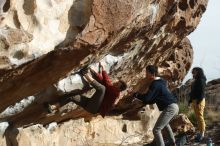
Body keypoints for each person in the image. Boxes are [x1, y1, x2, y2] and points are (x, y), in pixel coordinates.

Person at [48, 63, 127, 117]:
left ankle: (84, 73)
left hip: (95, 107)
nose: (116, 82)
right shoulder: (112, 90)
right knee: (72, 96)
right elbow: (103, 81)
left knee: (102, 89)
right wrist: (97, 73)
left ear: (120, 87)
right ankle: (53, 107)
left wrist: (103, 71)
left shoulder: (115, 93)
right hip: (91, 106)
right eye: (118, 82)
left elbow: (106, 83)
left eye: (118, 83)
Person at [132, 65, 179, 146]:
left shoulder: (155, 84)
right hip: (174, 107)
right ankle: (173, 143)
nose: (145, 75)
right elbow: (152, 99)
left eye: (147, 73)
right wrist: (142, 102)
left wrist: (135, 94)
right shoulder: (162, 82)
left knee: (156, 130)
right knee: (165, 125)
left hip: (170, 108)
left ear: (152, 74)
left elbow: (147, 98)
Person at [188, 67, 206, 142]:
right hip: (195, 101)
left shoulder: (201, 80)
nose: (193, 73)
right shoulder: (196, 80)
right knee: (198, 118)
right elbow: (193, 92)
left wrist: (198, 102)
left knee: (200, 117)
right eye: (192, 72)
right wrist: (190, 101)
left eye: (194, 72)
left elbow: (202, 92)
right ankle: (200, 132)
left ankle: (202, 133)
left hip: (199, 101)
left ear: (199, 72)